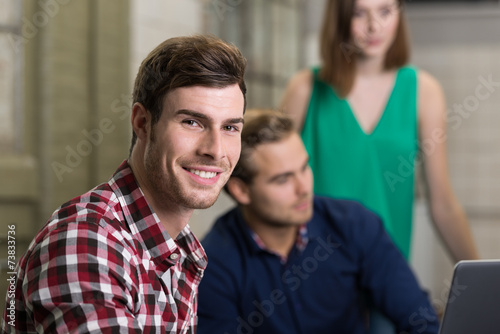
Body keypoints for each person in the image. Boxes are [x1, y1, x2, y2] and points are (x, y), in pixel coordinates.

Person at [2, 35, 247, 334]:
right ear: (142, 122)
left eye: (230, 127)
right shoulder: (87, 241)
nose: (216, 150)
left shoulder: (180, 247)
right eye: (192, 122)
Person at [197, 109, 439, 334]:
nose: (304, 188)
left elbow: (420, 320)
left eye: (305, 168)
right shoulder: (214, 264)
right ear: (241, 191)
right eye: (283, 179)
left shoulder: (354, 224)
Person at [280, 0, 479, 262]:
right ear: (339, 18)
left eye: (385, 11)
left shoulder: (423, 91)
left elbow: (443, 204)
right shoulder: (305, 89)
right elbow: (267, 182)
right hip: (311, 275)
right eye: (359, 14)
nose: (374, 27)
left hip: (386, 276)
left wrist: (486, 285)